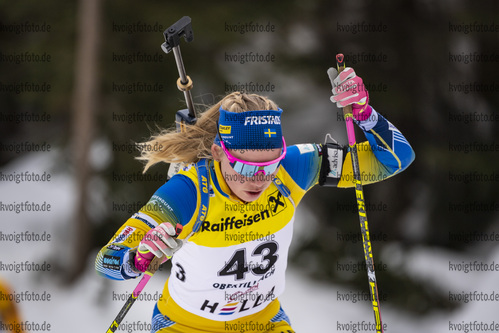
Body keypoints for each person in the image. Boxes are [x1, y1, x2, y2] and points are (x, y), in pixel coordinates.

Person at [96, 67, 415, 333]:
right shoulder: (189, 192)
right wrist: (136, 259)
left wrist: (364, 114)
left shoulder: (294, 167)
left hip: (264, 324)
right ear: (219, 152)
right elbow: (106, 260)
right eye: (245, 166)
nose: (258, 179)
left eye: (268, 165)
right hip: (185, 326)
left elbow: (396, 158)